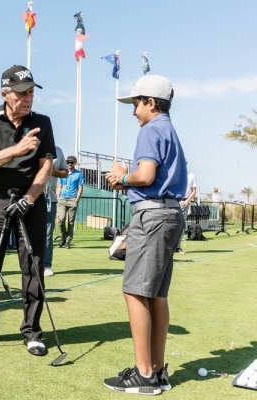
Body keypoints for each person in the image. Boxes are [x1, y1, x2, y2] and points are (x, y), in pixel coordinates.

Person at [103, 74, 186, 394]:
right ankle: (158, 370)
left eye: (137, 104)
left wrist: (123, 176)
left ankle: (145, 374)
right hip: (169, 214)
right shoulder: (169, 129)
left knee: (135, 291)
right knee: (156, 295)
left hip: (151, 215)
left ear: (151, 103)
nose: (134, 111)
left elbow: (146, 174)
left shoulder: (151, 129)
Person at [0, 65, 56, 357]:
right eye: (22, 93)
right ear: (5, 94)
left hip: (30, 200)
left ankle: (32, 332)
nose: (28, 98)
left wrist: (30, 198)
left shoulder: (43, 122)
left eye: (31, 92)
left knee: (33, 266)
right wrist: (16, 150)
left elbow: (46, 166)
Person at [43, 146, 68, 277]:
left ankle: (46, 265)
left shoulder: (58, 150)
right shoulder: (31, 146)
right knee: (31, 232)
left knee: (48, 233)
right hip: (31, 198)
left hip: (50, 199)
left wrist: (55, 172)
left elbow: (65, 172)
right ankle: (32, 264)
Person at [56, 156, 84, 249]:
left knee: (71, 222)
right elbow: (59, 186)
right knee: (61, 219)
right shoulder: (63, 173)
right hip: (62, 199)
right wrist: (58, 197)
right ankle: (62, 238)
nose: (70, 164)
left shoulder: (79, 174)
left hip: (72, 199)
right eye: (68, 162)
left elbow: (80, 188)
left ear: (75, 163)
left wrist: (77, 200)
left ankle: (68, 241)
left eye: (72, 162)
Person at [175, 164, 197, 253]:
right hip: (175, 201)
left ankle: (177, 246)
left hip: (185, 201)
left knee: (182, 224)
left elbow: (194, 191)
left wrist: (188, 200)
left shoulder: (191, 176)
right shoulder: (175, 174)